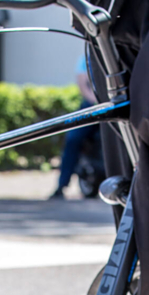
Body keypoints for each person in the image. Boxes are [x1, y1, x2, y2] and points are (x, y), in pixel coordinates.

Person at [49, 55, 98, 200]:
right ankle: (61, 185)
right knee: (73, 140)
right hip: (92, 107)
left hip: (114, 105)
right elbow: (83, 84)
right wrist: (96, 102)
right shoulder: (87, 57)